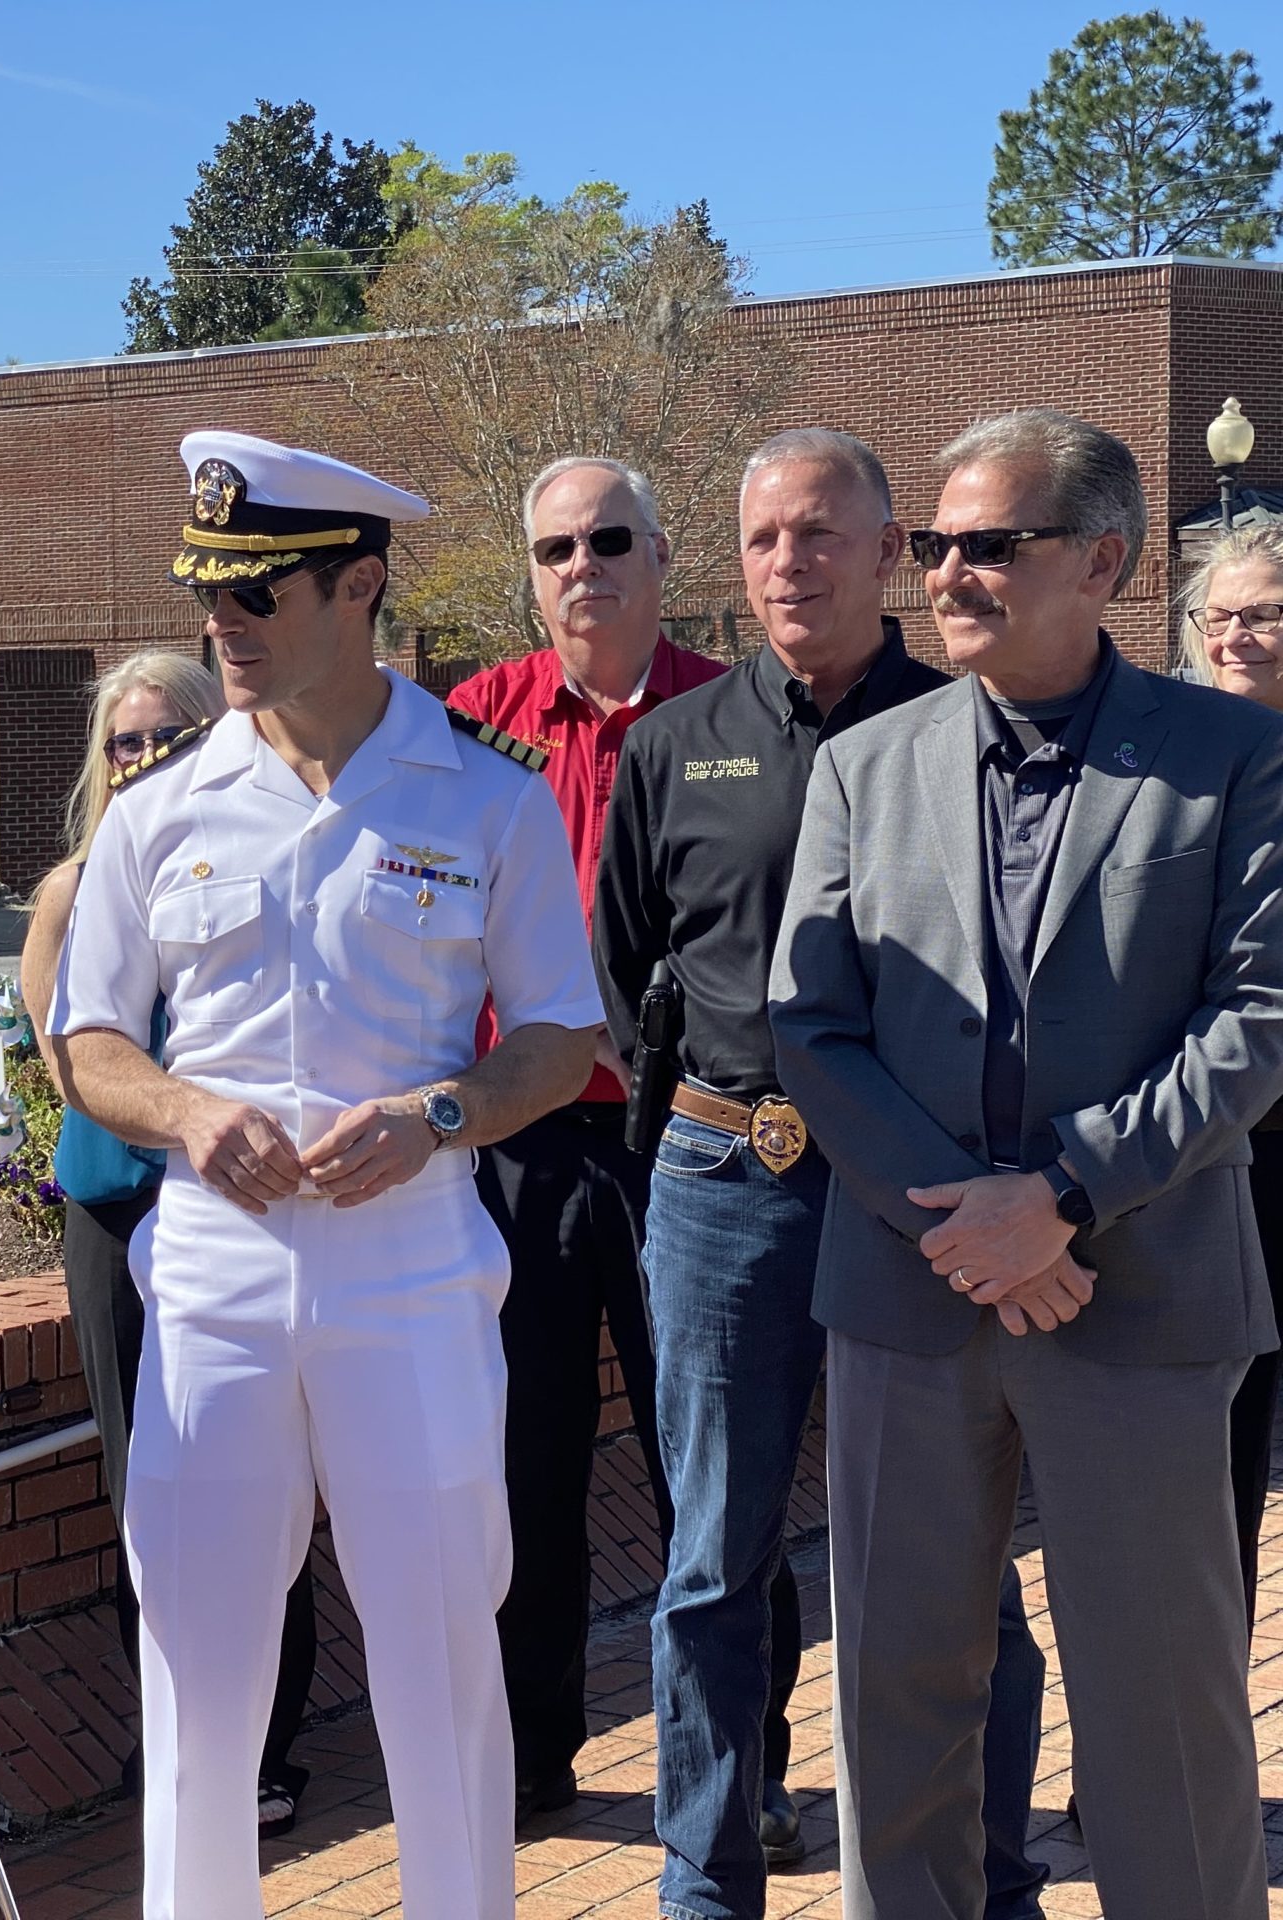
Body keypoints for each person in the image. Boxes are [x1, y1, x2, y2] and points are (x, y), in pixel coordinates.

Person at [53, 430, 602, 1918]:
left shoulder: (484, 797)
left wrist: (439, 1112)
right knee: (196, 1668)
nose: (220, 625)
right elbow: (87, 1041)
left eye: (257, 595)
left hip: (408, 1266)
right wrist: (182, 1112)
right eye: (207, 594)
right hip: (216, 1276)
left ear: (358, 588)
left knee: (442, 1655)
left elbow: (561, 1038)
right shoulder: (159, 807)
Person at [770, 410, 1282, 1917]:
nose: (947, 573)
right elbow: (810, 1023)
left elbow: (1259, 1020)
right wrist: (960, 1223)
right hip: (908, 1299)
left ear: (1103, 561)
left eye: (991, 544)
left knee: (1163, 1718)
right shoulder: (864, 767)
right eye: (937, 545)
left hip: (1139, 1296)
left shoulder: (1236, 758)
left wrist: (1058, 1198)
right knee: (894, 1704)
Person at [593, 429, 1050, 1914]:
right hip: (727, 1180)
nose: (788, 562)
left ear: (888, 549)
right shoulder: (675, 745)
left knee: (955, 1560)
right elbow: (624, 969)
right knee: (712, 1562)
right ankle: (704, 1879)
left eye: (820, 533)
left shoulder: (970, 727)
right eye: (762, 538)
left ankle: (985, 1875)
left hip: (918, 1191)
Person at [445, 456, 724, 1825]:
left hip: (687, 1144)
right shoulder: (473, 723)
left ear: (660, 556)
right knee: (524, 1461)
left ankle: (733, 1767)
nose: (582, 566)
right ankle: (528, 1755)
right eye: (555, 547)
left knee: (706, 1463)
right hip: (521, 1148)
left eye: (609, 539)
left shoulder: (730, 717)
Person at [21, 648, 321, 1832]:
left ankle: (265, 1751)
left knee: (261, 1477)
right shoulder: (70, 891)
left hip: (240, 1208)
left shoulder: (260, 861)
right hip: (119, 1213)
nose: (142, 757)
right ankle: (179, 1746)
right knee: (146, 1485)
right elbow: (71, 1062)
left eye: (168, 735)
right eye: (123, 742)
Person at [1178, 521, 1283, 1608]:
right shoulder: (1175, 768)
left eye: (1260, 614)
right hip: (1209, 1151)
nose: (1234, 635)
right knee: (1216, 1445)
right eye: (1219, 615)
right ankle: (1209, 1686)